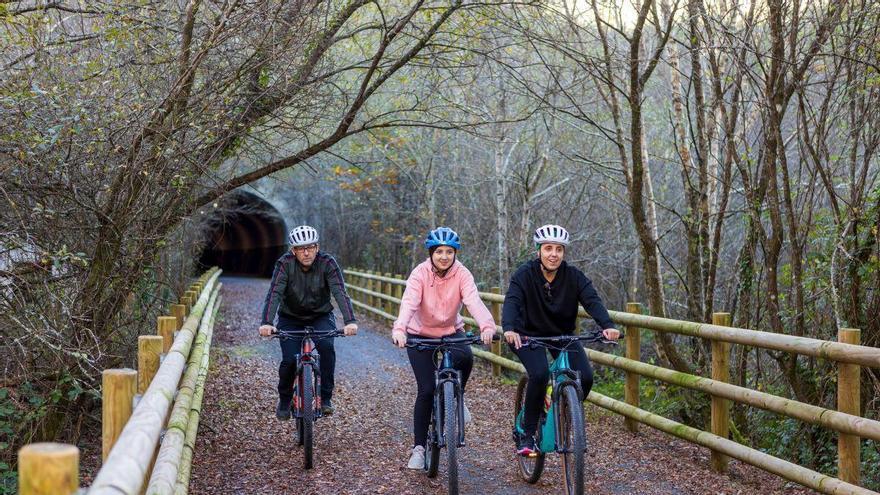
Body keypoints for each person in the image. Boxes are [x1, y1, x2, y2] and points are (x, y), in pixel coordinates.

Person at [502, 224, 620, 455]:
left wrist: (607, 325)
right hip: (527, 335)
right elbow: (512, 302)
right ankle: (526, 434)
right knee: (539, 374)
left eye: (558, 249)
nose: (553, 254)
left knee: (584, 378)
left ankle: (559, 407)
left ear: (563, 253)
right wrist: (509, 328)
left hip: (562, 336)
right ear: (539, 251)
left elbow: (592, 300)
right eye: (548, 248)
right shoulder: (524, 275)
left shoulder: (574, 277)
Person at [391, 227, 497, 470]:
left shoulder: (462, 273)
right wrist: (400, 329)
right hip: (419, 335)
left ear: (455, 253)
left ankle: (457, 398)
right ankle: (418, 448)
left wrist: (487, 325)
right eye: (439, 251)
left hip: (451, 331)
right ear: (431, 253)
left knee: (466, 356)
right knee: (426, 389)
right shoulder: (419, 273)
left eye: (449, 252)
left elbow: (473, 300)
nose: (444, 256)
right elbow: (409, 303)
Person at [258, 225, 358, 419]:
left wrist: (350, 320)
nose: (306, 252)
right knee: (289, 360)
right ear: (293, 251)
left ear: (317, 247)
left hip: (320, 315)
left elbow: (339, 291)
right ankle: (286, 398)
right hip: (290, 317)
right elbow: (274, 293)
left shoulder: (328, 263)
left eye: (310, 247)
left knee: (327, 347)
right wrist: (267, 322)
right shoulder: (284, 264)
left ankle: (326, 397)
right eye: (301, 248)